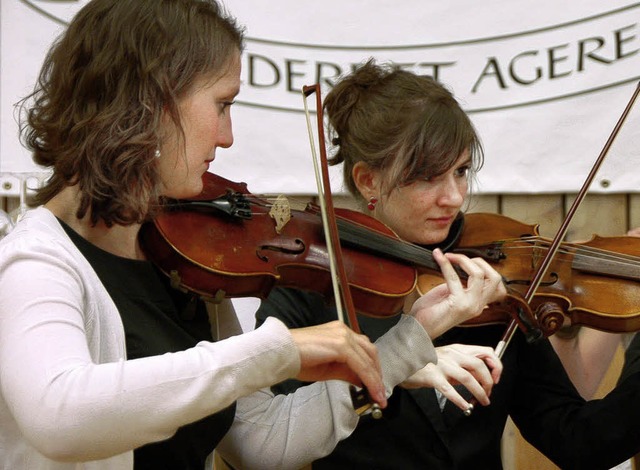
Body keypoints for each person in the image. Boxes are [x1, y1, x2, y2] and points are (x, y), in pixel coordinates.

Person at [0, 1, 509, 469]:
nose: (227, 135)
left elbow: (262, 442)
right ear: (150, 100)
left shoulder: (179, 263)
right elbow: (59, 416)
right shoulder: (37, 262)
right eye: (222, 104)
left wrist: (409, 339)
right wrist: (279, 350)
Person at [255, 59, 640, 470]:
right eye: (427, 178)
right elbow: (272, 439)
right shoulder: (308, 284)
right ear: (368, 180)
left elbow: (578, 442)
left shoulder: (492, 282)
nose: (455, 197)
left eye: (461, 171)